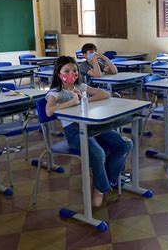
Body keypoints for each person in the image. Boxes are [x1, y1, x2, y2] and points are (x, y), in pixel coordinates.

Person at [45, 56, 132, 207]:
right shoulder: (55, 92)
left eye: (74, 70)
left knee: (125, 144)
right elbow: (49, 111)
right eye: (66, 71)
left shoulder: (80, 87)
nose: (71, 73)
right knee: (98, 153)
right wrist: (71, 103)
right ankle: (101, 189)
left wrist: (84, 101)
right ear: (58, 74)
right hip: (74, 131)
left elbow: (105, 94)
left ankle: (106, 179)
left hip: (91, 126)